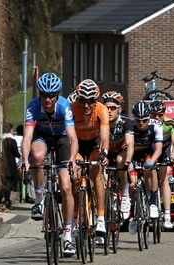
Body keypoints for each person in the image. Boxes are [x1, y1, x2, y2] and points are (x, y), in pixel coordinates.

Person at [21, 72, 78, 256]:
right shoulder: (33, 106)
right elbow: (27, 138)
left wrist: (72, 159)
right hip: (42, 137)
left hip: (62, 138)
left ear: (57, 95)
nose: (47, 99)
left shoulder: (64, 106)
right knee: (36, 156)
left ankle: (68, 236)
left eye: (51, 95)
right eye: (43, 95)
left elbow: (72, 138)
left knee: (66, 187)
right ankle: (39, 201)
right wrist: (24, 159)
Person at [71, 79, 110, 235]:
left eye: (90, 101)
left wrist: (104, 153)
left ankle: (100, 219)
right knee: (75, 176)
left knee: (96, 174)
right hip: (78, 144)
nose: (86, 105)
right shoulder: (72, 109)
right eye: (82, 100)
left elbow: (105, 138)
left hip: (94, 144)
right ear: (77, 99)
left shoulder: (102, 110)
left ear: (97, 100)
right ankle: (75, 216)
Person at [128, 100, 163, 235]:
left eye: (144, 120)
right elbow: (126, 148)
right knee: (132, 185)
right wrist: (129, 162)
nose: (141, 123)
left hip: (149, 153)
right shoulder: (130, 125)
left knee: (151, 168)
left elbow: (159, 149)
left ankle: (153, 202)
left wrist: (152, 161)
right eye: (138, 120)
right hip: (134, 154)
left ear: (149, 118)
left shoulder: (156, 125)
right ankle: (132, 215)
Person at [101, 91, 134, 219]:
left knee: (121, 160)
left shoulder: (126, 122)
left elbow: (130, 144)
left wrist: (129, 161)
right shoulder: (100, 122)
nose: (109, 111)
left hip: (121, 149)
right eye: (106, 108)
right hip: (106, 150)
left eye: (112, 108)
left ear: (119, 109)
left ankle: (125, 195)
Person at [149, 100, 174, 229]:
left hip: (165, 149)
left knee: (164, 180)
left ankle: (167, 215)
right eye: (154, 115)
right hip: (151, 148)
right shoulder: (147, 122)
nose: (157, 118)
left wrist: (172, 158)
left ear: (164, 114)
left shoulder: (170, 123)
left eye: (160, 115)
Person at [0, 122, 21, 210]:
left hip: (3, 163)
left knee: (4, 182)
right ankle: (7, 201)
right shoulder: (12, 141)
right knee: (9, 182)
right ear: (10, 130)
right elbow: (16, 153)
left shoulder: (2, 141)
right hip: (11, 163)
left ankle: (1, 199)